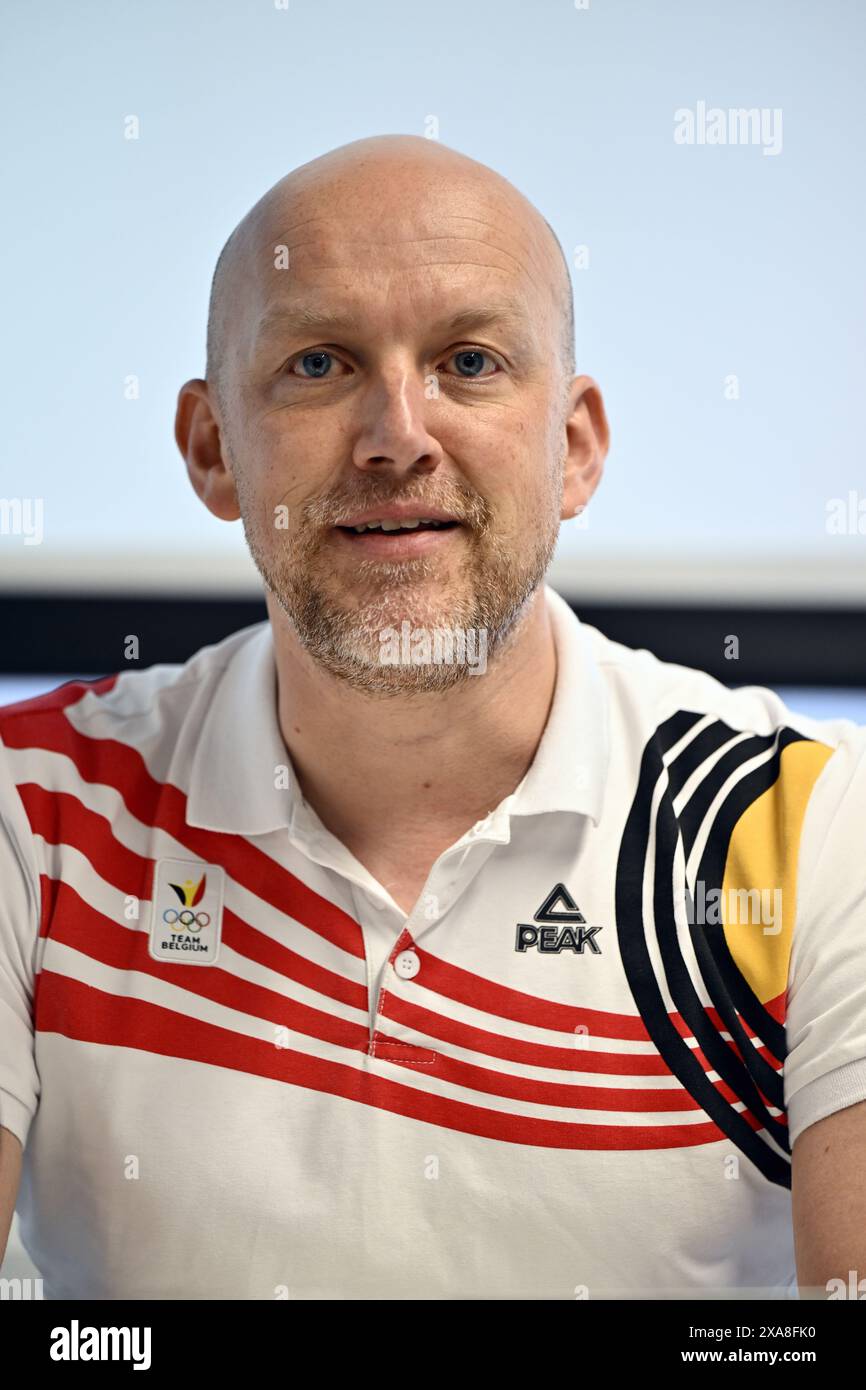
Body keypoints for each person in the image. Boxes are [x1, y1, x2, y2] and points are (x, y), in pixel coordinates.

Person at [1, 134, 865, 1300]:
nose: (397, 434)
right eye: (318, 363)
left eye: (468, 360)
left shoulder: (812, 829)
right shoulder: (33, 809)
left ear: (572, 446)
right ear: (213, 451)